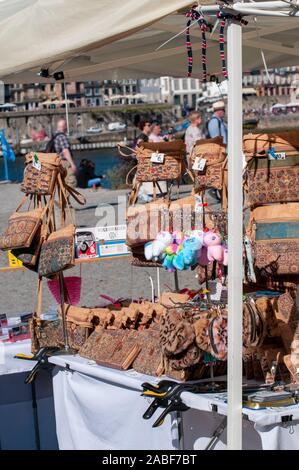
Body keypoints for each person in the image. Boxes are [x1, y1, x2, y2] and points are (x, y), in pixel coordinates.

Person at [53, 118, 77, 187]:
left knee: (62, 183)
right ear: (64, 126)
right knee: (71, 181)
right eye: (66, 125)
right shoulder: (61, 136)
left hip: (57, 162)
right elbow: (65, 151)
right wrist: (72, 164)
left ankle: (63, 197)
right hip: (64, 163)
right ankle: (67, 197)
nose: (67, 127)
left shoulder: (55, 136)